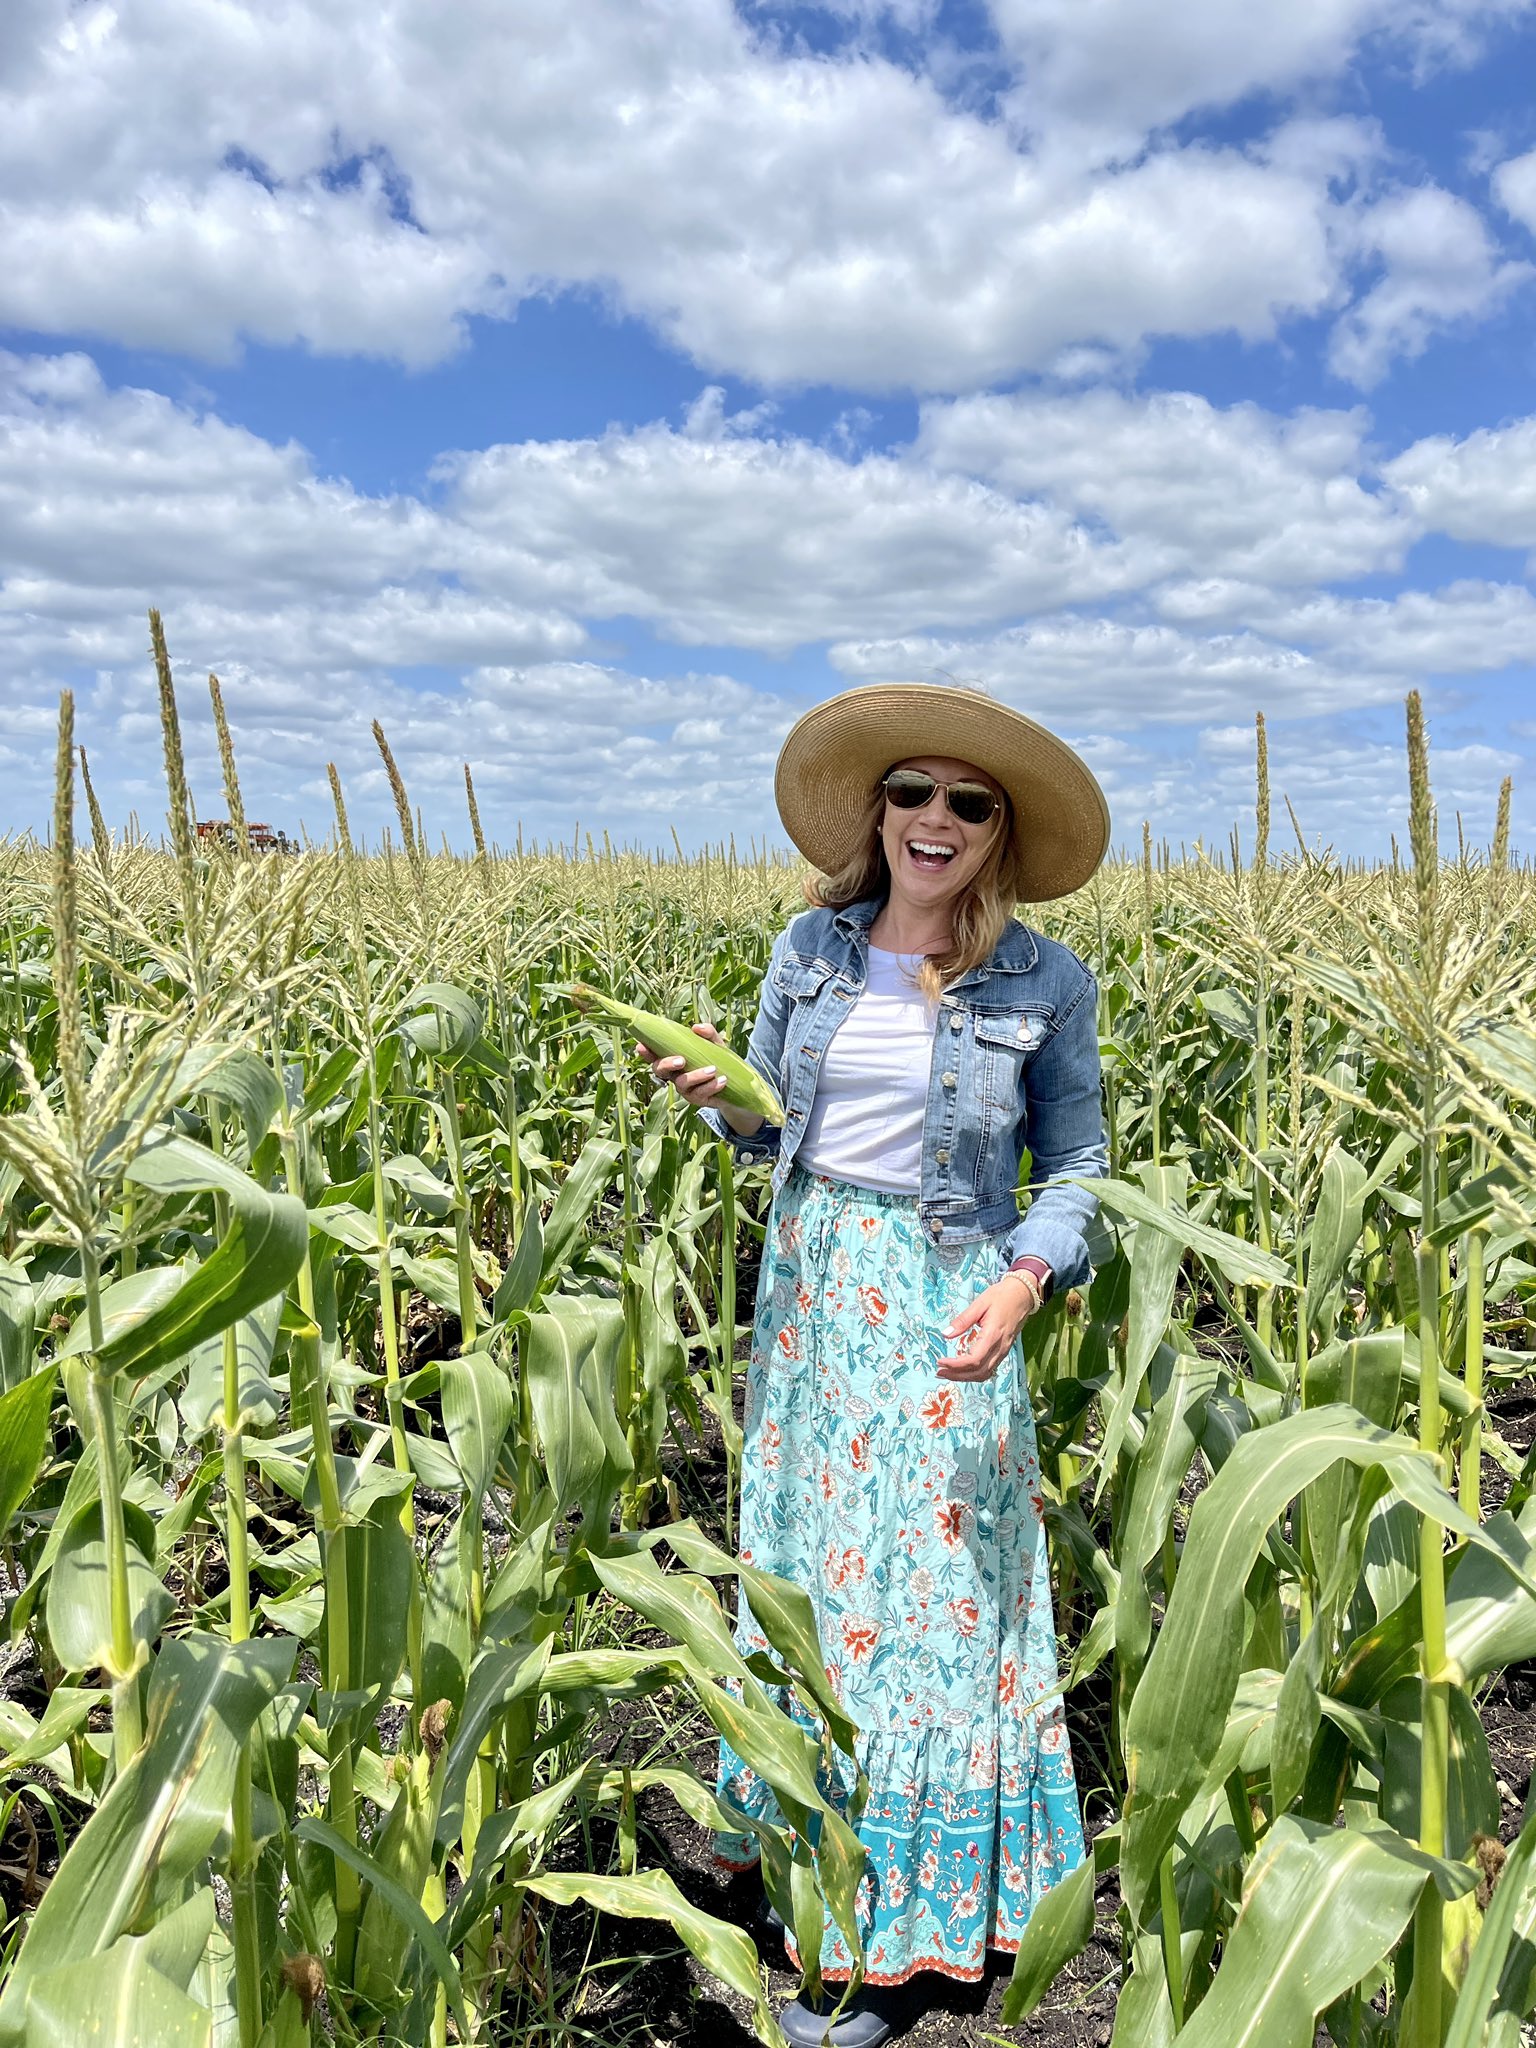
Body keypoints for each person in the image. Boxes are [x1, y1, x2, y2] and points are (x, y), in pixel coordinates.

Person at [637, 681, 1109, 2048]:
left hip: (951, 1297)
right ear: (878, 814)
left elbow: (1075, 1167)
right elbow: (765, 1120)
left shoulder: (1044, 982)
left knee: (933, 1601)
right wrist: (714, 1094)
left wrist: (1027, 1278)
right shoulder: (813, 948)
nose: (938, 819)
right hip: (811, 1302)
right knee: (813, 1586)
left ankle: (896, 1944)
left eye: (971, 801)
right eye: (914, 792)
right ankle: (806, 1880)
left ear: (998, 830)